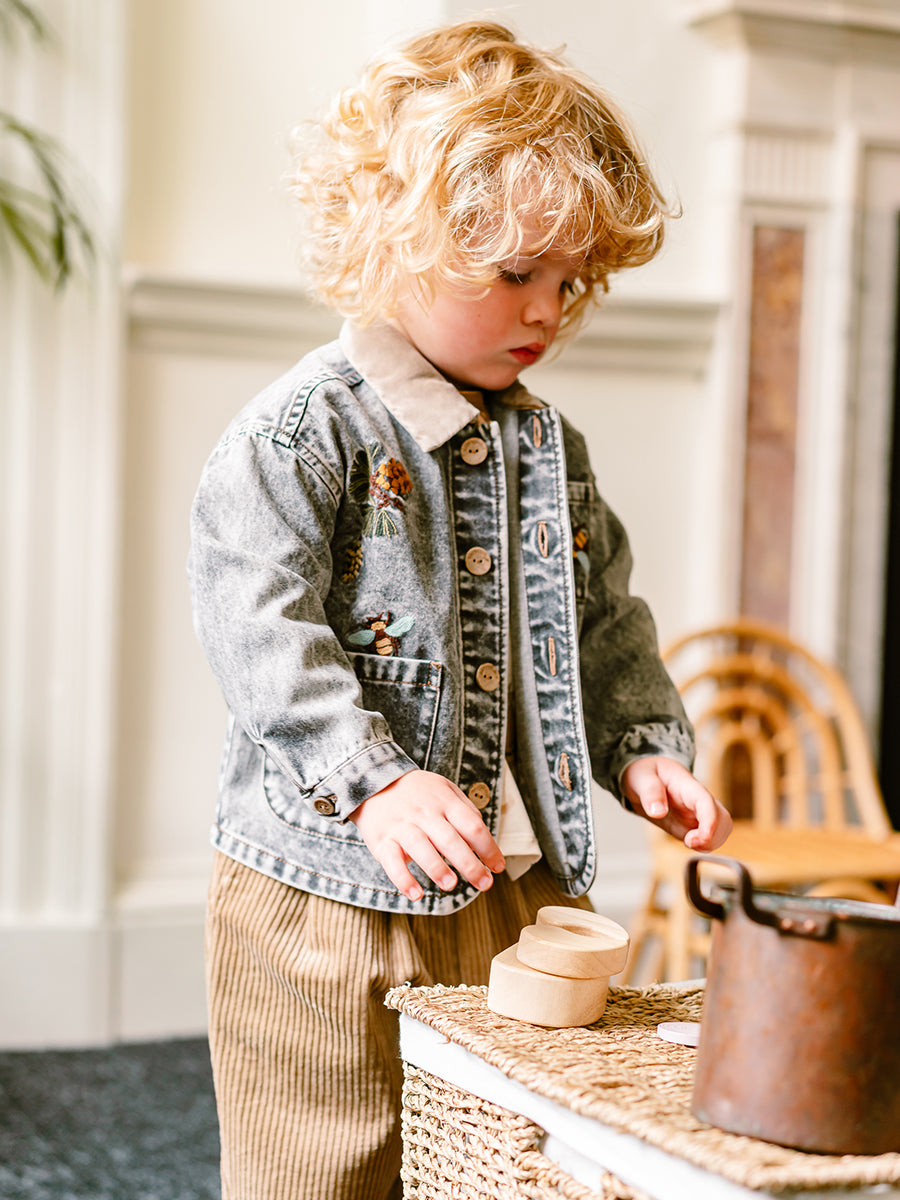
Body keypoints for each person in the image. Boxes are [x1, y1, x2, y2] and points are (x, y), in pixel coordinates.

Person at [188, 17, 732, 1200]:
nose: (549, 311)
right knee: (323, 1153)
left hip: (507, 884)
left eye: (573, 282)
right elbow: (260, 625)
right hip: (329, 896)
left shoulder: (549, 447)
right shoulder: (302, 434)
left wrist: (642, 747)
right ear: (397, 240)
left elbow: (602, 614)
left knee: (488, 1140)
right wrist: (375, 779)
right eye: (516, 275)